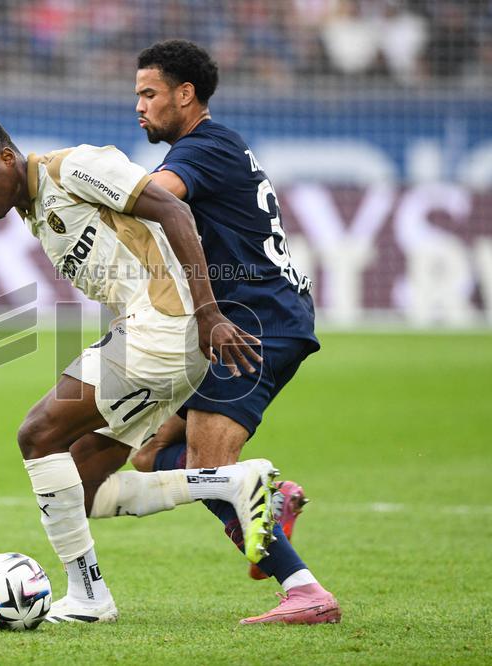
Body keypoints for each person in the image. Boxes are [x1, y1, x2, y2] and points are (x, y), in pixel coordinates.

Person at [0, 113, 275, 624]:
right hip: (153, 334)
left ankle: (89, 596)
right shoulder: (34, 211)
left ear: (6, 159)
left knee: (38, 434)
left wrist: (209, 312)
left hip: (164, 327)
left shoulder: (72, 168)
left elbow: (174, 212)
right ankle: (228, 484)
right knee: (81, 485)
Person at [70, 40, 341, 625]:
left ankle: (305, 591)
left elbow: (156, 195)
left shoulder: (206, 147)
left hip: (255, 324)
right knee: (148, 455)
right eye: (135, 94)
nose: (138, 106)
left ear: (185, 95)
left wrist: (80, 191)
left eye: (148, 94)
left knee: (207, 463)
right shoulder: (214, 147)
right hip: (241, 321)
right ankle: (271, 496)